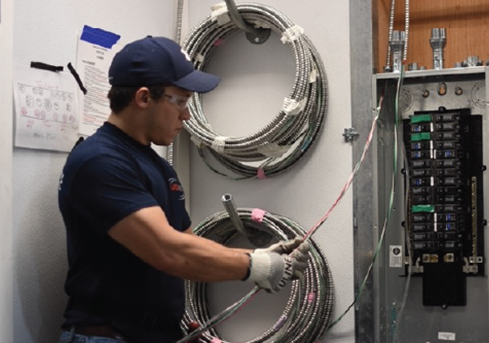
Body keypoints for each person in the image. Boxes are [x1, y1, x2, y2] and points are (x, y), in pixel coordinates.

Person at [57, 36, 310, 343]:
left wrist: (256, 254)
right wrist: (254, 265)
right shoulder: (99, 162)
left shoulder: (157, 166)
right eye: (180, 101)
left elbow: (185, 246)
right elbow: (168, 251)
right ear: (143, 97)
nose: (187, 115)